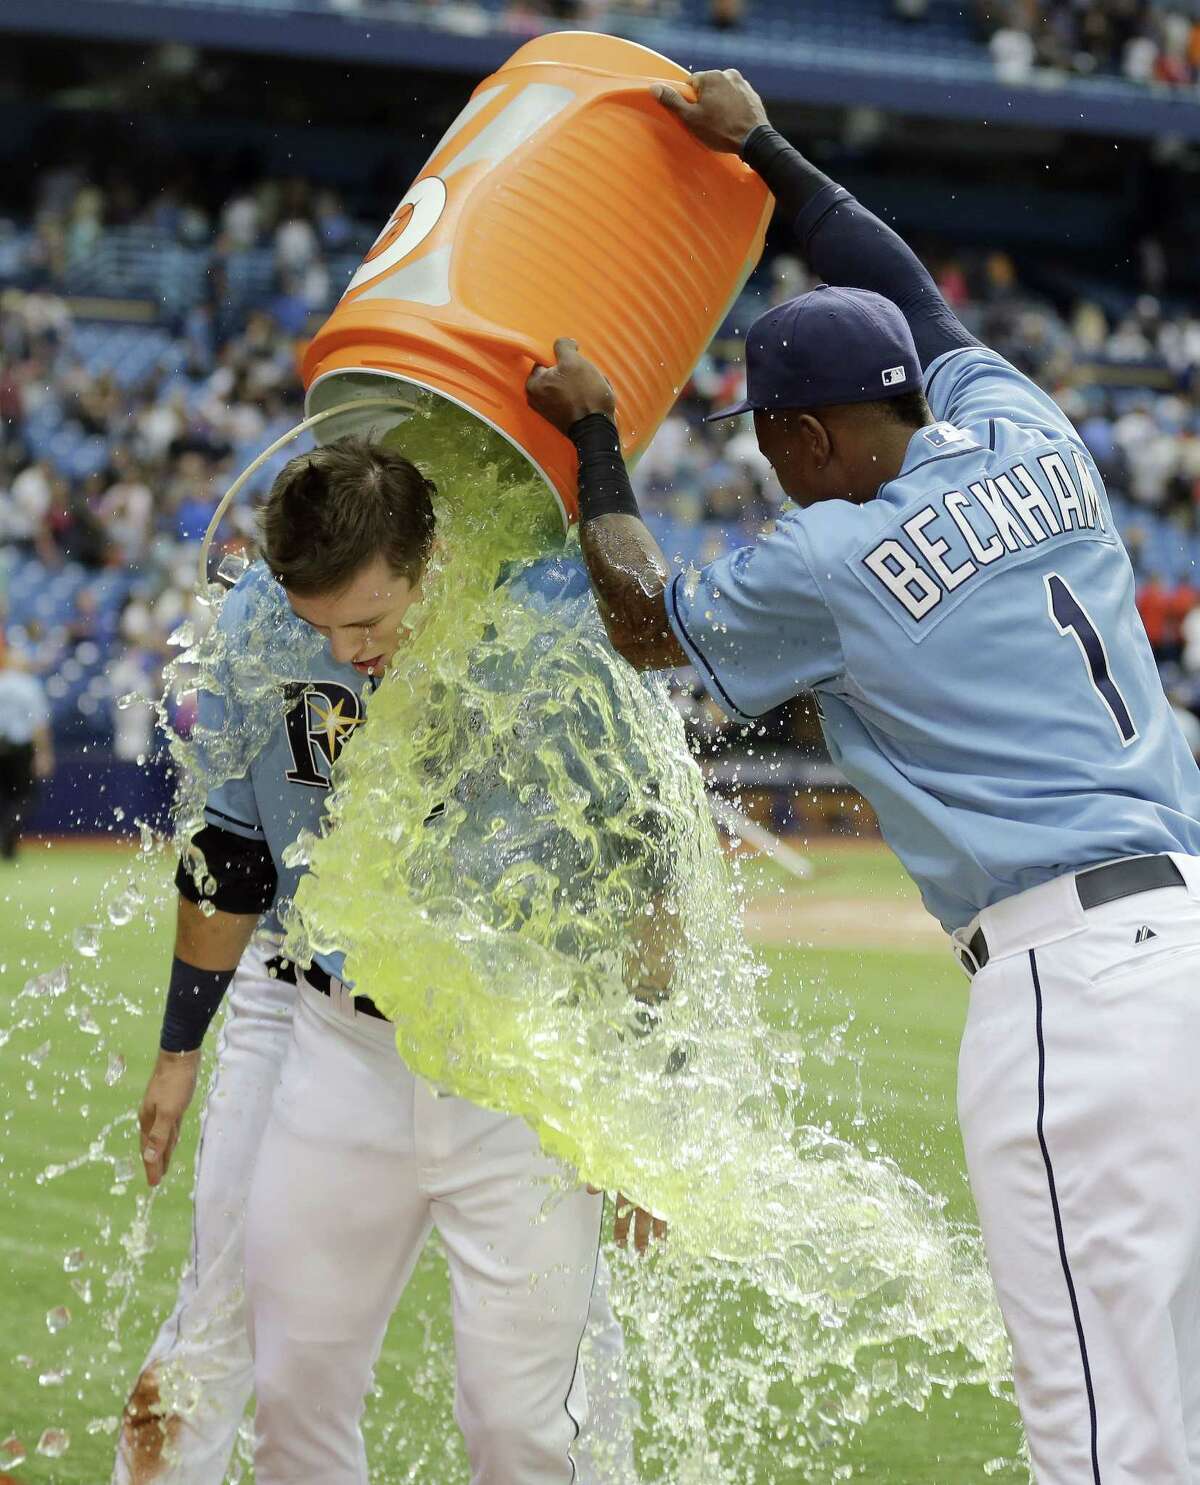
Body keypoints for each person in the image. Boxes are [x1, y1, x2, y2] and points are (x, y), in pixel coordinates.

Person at [526, 68, 1200, 1485]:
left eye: (771, 439)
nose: (768, 466)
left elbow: (643, 619)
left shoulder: (830, 558)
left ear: (812, 436)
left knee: (1097, 1429)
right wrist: (764, 145)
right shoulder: (1030, 426)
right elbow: (899, 279)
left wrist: (596, 439)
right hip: (1188, 925)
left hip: (1075, 994)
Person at [119, 437, 650, 1485]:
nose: (347, 648)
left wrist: (639, 1089)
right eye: (322, 625)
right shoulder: (258, 627)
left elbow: (636, 865)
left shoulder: (539, 621)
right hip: (337, 1029)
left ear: (433, 557)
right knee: (296, 1388)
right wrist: (179, 1051)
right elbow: (230, 854)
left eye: (367, 620)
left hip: (515, 1054)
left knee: (524, 1426)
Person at [0, 647, 53, 860]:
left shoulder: (1, 683)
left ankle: (6, 839)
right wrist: (44, 753)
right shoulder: (30, 686)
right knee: (25, 797)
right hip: (20, 748)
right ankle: (7, 838)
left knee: (3, 796)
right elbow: (38, 724)